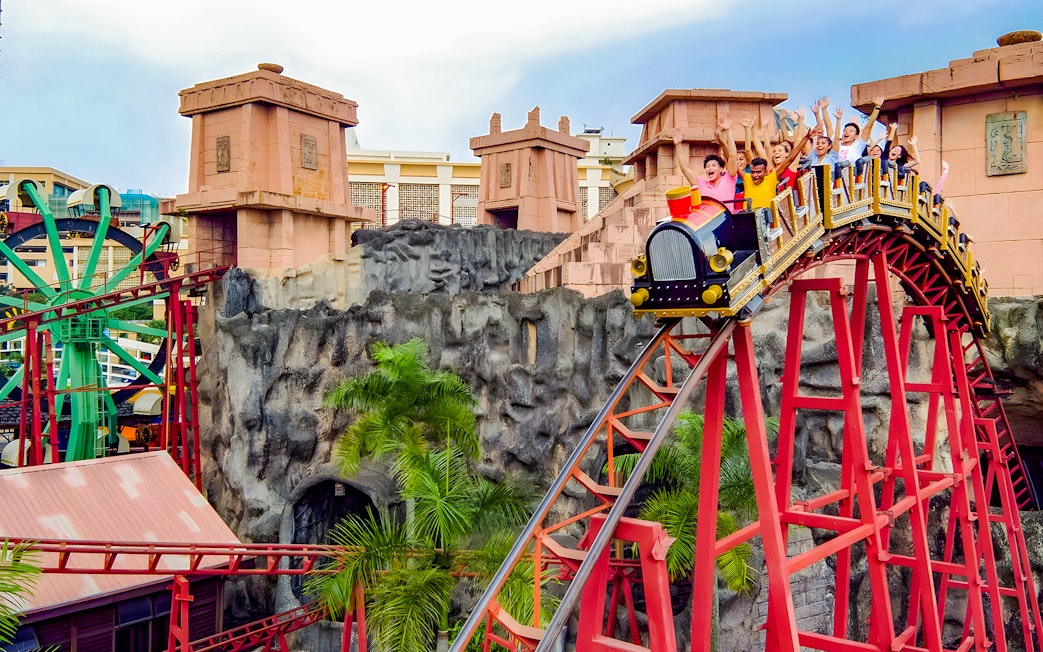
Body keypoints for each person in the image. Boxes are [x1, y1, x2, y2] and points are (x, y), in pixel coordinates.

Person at [743, 126, 813, 210]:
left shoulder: (786, 169)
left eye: (780, 151)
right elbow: (762, 148)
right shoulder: (770, 170)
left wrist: (806, 137)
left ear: (787, 153)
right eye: (774, 151)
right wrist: (751, 128)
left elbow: (792, 156)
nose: (776, 153)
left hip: (786, 205)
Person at [673, 118, 740, 204]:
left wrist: (728, 131)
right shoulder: (701, 183)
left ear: (721, 169)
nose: (710, 168)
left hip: (726, 217)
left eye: (713, 165)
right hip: (710, 217)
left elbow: (732, 155)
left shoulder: (728, 178)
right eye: (707, 166)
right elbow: (685, 169)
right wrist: (678, 145)